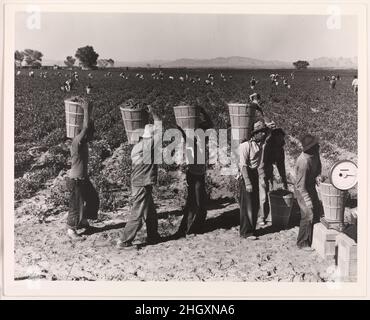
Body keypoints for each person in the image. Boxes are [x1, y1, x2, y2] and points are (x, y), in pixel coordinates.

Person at [117, 106, 162, 249]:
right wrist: (155, 114)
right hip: (142, 183)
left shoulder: (138, 146)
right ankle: (124, 241)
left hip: (141, 182)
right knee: (138, 213)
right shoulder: (147, 146)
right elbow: (160, 130)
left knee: (150, 212)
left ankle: (153, 235)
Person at [176, 107, 213, 237]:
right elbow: (185, 136)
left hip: (200, 175)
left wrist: (203, 111)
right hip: (194, 176)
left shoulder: (201, 143)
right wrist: (180, 129)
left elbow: (210, 125)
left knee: (200, 202)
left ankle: (196, 227)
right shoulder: (193, 143)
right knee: (195, 203)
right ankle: (188, 229)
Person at [67, 99, 99, 239]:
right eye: (91, 133)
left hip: (83, 179)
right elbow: (85, 127)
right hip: (75, 180)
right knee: (76, 206)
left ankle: (83, 221)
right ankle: (71, 230)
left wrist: (90, 111)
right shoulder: (76, 142)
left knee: (93, 199)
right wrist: (85, 109)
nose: (92, 136)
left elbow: (87, 127)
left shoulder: (84, 143)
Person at [238, 121, 269, 240]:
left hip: (254, 173)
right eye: (259, 132)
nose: (262, 134)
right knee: (247, 205)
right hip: (247, 175)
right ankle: (246, 232)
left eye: (263, 132)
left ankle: (251, 229)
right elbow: (243, 166)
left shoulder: (260, 144)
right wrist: (248, 182)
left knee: (254, 204)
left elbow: (268, 134)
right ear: (254, 134)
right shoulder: (245, 146)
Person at [257, 120, 288, 225]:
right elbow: (261, 162)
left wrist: (284, 181)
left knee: (274, 192)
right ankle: (261, 217)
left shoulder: (280, 149)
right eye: (278, 137)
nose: (280, 139)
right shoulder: (267, 147)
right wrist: (262, 176)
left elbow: (281, 166)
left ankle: (271, 214)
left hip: (270, 169)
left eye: (282, 138)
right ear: (274, 138)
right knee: (263, 195)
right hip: (262, 169)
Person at [294, 134, 322, 250]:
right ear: (310, 148)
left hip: (310, 186)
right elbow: (301, 186)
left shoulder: (315, 154)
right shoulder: (303, 162)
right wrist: (307, 200)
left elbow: (319, 165)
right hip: (302, 189)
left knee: (317, 211)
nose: (318, 147)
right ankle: (302, 242)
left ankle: (312, 238)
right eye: (316, 145)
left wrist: (318, 175)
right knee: (308, 213)